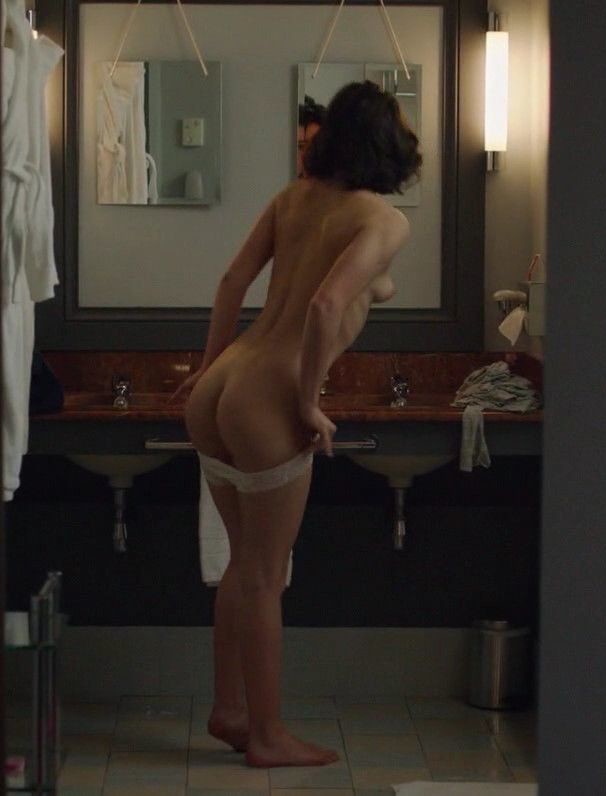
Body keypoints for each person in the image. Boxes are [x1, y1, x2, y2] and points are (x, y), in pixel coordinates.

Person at [172, 80, 419, 768]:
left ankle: (230, 710)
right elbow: (324, 306)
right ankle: (269, 735)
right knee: (265, 574)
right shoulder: (384, 220)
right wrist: (308, 402)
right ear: (386, 141)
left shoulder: (293, 198)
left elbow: (233, 282)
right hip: (269, 401)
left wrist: (207, 366)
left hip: (221, 386)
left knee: (242, 565)